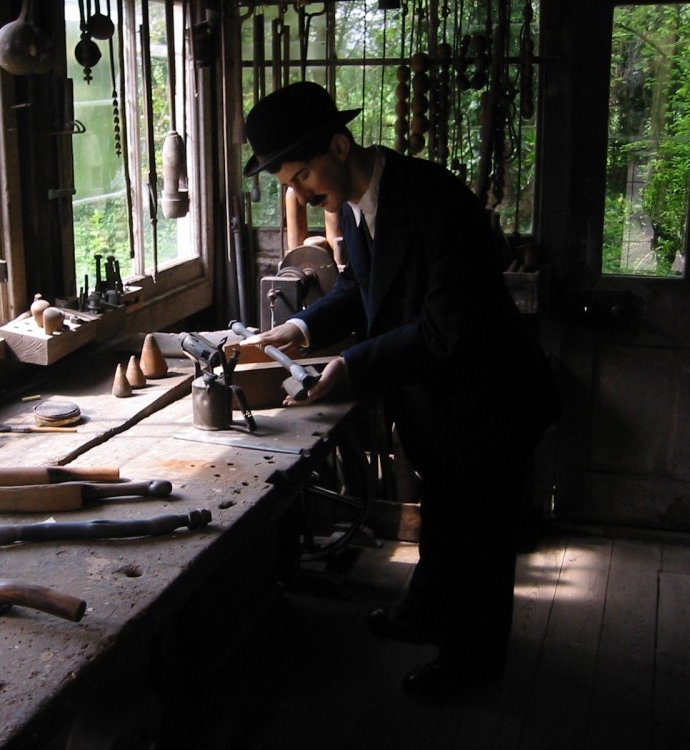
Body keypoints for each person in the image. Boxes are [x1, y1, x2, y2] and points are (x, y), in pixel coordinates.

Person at [239, 81, 561, 700]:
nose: (300, 193)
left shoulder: (434, 198)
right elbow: (365, 293)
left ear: (340, 144)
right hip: (438, 402)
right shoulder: (358, 209)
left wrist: (352, 367)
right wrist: (302, 327)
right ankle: (425, 613)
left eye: (304, 174)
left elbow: (446, 331)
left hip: (490, 400)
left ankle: (471, 663)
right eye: (288, 183)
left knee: (481, 539)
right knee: (444, 514)